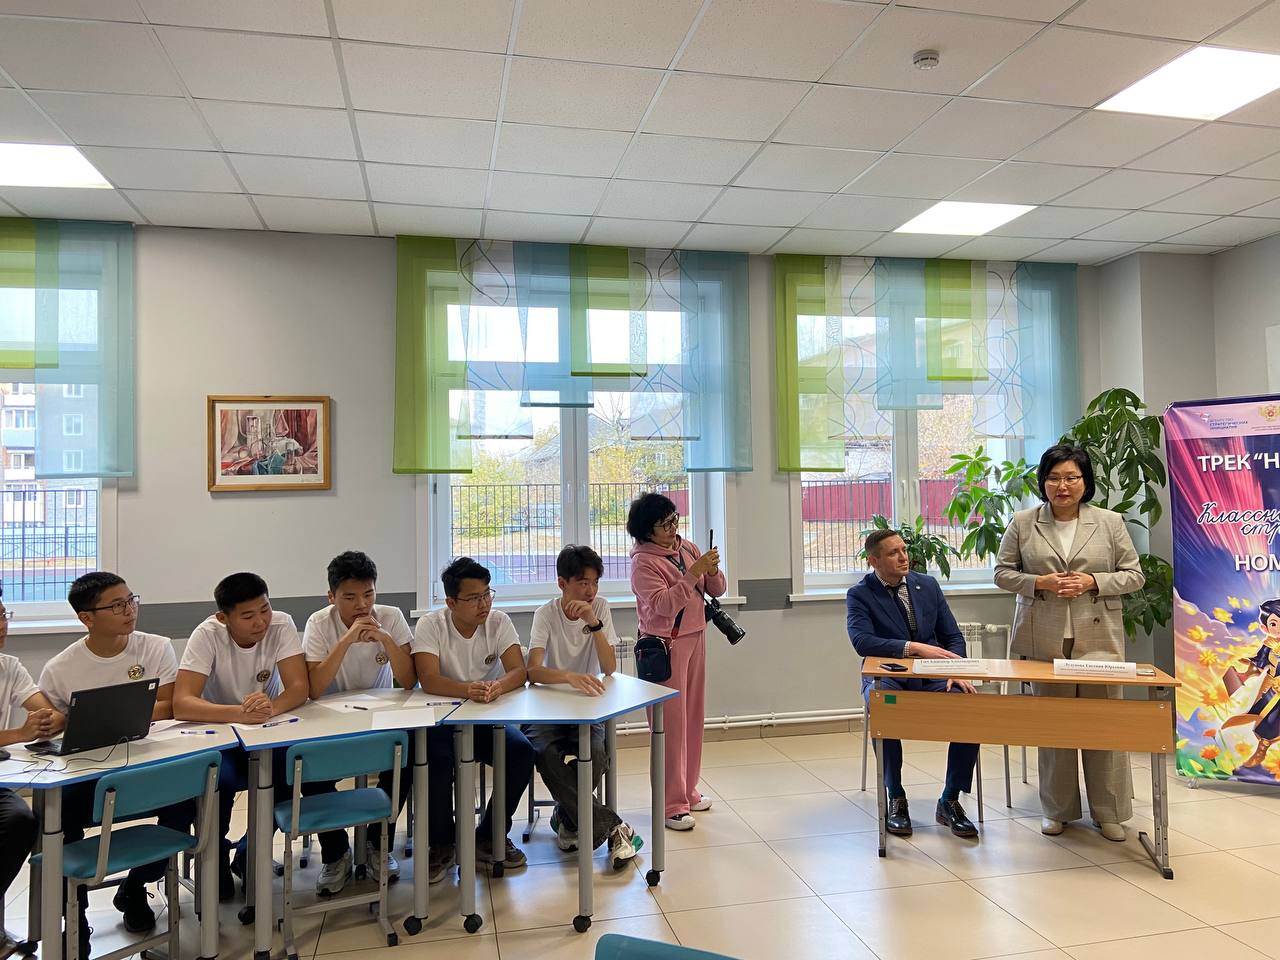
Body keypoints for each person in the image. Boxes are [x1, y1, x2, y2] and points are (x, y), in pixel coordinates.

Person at [995, 443, 1145, 842]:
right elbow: (1002, 573)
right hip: (1043, 639)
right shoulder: (1023, 522)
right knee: (1054, 728)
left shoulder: (1110, 522)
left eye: (1071, 478)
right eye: (1054, 478)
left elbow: (1134, 575)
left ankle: (1109, 812)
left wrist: (1093, 581)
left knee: (1104, 726)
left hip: (1099, 638)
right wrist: (1039, 582)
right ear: (1043, 482)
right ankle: (1057, 809)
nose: (1062, 486)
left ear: (1085, 481)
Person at [42, 572, 188, 941]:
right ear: (87, 618)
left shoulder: (155, 647)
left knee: (188, 799)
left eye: (131, 600)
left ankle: (136, 885)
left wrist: (101, 717)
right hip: (90, 774)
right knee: (57, 817)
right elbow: (53, 727)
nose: (129, 610)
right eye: (117, 605)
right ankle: (74, 917)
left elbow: (170, 705)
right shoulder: (60, 668)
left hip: (149, 761)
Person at [301, 550, 448, 893]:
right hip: (330, 722)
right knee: (308, 769)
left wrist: (385, 639)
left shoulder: (391, 616)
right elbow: (314, 689)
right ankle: (335, 852)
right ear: (331, 596)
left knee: (408, 758)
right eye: (350, 597)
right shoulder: (318, 623)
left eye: (368, 594)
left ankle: (377, 842)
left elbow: (409, 681)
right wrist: (346, 639)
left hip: (380, 718)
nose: (361, 605)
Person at [173, 572, 309, 898]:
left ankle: (250, 851)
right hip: (219, 730)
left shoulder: (281, 624)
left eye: (265, 609)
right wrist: (238, 713)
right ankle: (216, 857)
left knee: (286, 774)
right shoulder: (207, 635)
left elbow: (299, 687)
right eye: (248, 616)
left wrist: (270, 708)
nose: (260, 621)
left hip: (265, 730)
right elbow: (182, 703)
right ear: (224, 618)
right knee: (219, 782)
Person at [847, 529, 981, 839]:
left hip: (932, 676)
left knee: (970, 706)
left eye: (904, 550)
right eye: (893, 553)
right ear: (874, 561)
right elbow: (862, 641)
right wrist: (913, 648)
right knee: (883, 707)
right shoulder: (860, 593)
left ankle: (949, 800)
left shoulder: (927, 585)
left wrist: (957, 668)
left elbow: (952, 636)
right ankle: (895, 796)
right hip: (888, 675)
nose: (903, 557)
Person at [523, 545, 642, 869]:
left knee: (598, 754)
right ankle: (614, 827)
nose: (590, 590)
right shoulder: (546, 614)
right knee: (544, 753)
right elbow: (533, 671)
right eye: (583, 583)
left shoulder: (599, 607)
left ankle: (567, 817)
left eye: (595, 582)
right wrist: (568, 677)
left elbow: (609, 668)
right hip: (547, 708)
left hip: (587, 707)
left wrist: (594, 623)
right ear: (562, 583)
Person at [412, 557, 533, 870]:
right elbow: (429, 679)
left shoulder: (498, 622)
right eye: (474, 598)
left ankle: (489, 836)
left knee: (521, 752)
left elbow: (519, 671)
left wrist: (498, 686)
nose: (484, 604)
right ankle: (442, 843)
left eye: (487, 594)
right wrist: (468, 689)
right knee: (435, 761)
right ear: (451, 602)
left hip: (484, 719)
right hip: (441, 721)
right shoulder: (430, 625)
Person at [627, 493, 725, 831]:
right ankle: (670, 804)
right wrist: (693, 572)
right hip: (664, 646)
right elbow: (664, 605)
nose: (673, 528)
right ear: (646, 530)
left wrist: (711, 570)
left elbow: (717, 589)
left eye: (674, 520)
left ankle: (688, 789)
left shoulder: (688, 548)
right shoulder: (643, 562)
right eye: (664, 524)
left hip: (696, 637)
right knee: (669, 725)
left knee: (693, 718)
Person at [0, 585, 54, 948]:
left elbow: (42, 707)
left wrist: (47, 718)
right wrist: (20, 733)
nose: (1, 625)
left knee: (20, 821)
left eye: (2, 615)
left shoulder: (9, 666)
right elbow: (22, 730)